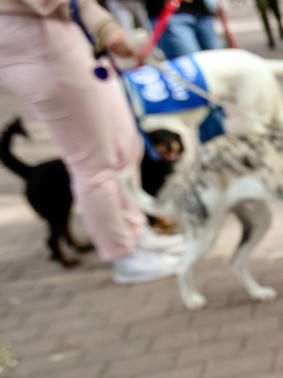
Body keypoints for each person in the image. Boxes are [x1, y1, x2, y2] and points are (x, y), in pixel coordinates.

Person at [0, 0, 183, 284]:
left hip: (68, 37)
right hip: (36, 43)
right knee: (95, 163)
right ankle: (124, 255)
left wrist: (106, 29)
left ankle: (137, 233)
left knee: (126, 147)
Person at [145, 0, 225, 141]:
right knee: (195, 84)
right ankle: (207, 142)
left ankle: (219, 136)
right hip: (170, 15)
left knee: (218, 81)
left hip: (202, 11)